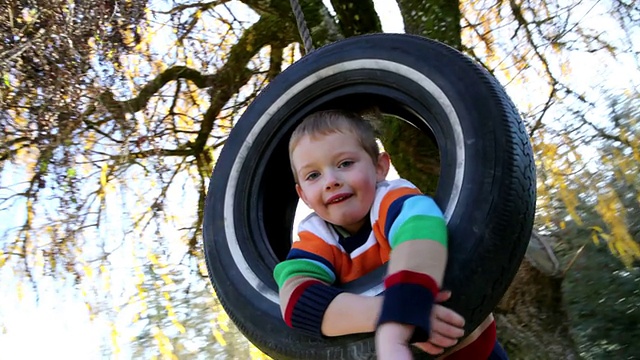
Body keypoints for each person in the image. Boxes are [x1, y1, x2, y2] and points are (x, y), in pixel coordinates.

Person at [273, 109, 507, 359]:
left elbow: (419, 230)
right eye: (313, 175)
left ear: (380, 167)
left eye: (345, 164)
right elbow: (297, 299)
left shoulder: (390, 200)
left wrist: (396, 327)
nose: (331, 180)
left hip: (471, 348)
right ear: (304, 195)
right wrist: (388, 312)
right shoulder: (317, 235)